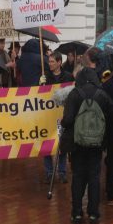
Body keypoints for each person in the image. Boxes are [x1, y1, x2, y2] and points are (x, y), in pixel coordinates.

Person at [60, 67, 113, 224]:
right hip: (96, 143)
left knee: (78, 176)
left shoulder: (74, 94)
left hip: (77, 143)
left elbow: (67, 120)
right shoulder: (101, 94)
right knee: (94, 176)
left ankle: (77, 214)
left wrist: (62, 121)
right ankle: (93, 214)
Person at [83, 47, 113, 204]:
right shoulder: (107, 73)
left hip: (98, 120)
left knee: (96, 158)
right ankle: (110, 193)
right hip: (111, 120)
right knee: (112, 158)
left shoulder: (92, 74)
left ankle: (95, 191)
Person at [43, 51, 74, 183]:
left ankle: (62, 172)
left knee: (62, 143)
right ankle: (49, 172)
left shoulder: (67, 77)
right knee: (46, 143)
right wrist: (41, 86)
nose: (49, 64)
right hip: (47, 115)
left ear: (59, 62)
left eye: (52, 61)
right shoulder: (46, 77)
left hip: (62, 114)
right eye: (49, 61)